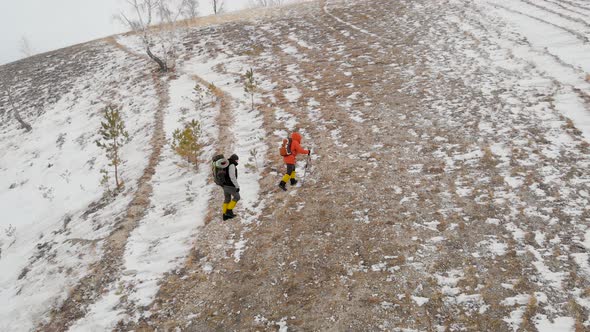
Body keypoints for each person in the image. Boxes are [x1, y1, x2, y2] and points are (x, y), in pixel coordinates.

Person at [222, 154, 240, 220]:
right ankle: (229, 211)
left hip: (224, 185)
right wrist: (237, 186)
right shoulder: (232, 165)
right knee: (237, 197)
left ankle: (224, 215)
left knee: (227, 199)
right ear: (235, 159)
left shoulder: (225, 164)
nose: (237, 162)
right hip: (230, 185)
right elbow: (232, 176)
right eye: (237, 160)